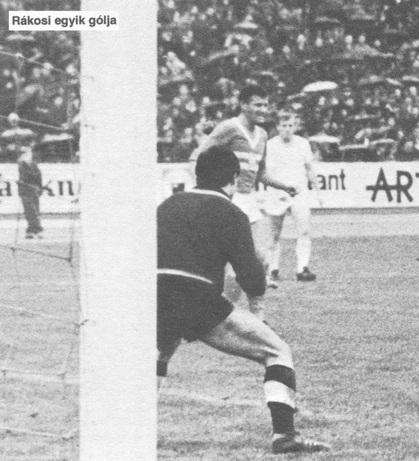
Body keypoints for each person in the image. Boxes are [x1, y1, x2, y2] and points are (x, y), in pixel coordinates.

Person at [157, 146, 330, 454]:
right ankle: (285, 435)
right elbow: (249, 274)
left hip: (156, 294)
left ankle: (136, 427)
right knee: (277, 351)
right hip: (197, 297)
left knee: (160, 354)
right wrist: (257, 309)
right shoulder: (232, 213)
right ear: (234, 178)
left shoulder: (168, 205)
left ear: (198, 174)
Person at [191, 84, 297, 290]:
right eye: (257, 105)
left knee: (262, 257)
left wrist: (284, 187)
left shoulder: (263, 135)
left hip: (249, 199)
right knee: (231, 263)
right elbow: (198, 157)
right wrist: (208, 190)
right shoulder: (229, 128)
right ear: (243, 105)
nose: (263, 109)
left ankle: (250, 306)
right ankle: (227, 305)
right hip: (230, 199)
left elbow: (260, 173)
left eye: (265, 105)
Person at [262, 112, 321, 282]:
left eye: (290, 126)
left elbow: (309, 168)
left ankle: (302, 269)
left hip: (299, 193)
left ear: (295, 127)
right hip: (277, 193)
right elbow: (265, 172)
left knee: (304, 231)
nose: (287, 129)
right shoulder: (270, 145)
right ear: (278, 127)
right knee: (274, 234)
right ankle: (272, 269)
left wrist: (318, 191)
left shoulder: (303, 144)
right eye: (284, 126)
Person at [17, 141, 43, 239]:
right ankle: (33, 229)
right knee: (29, 211)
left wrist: (39, 187)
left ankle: (36, 229)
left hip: (32, 189)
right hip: (26, 190)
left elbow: (37, 176)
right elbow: (22, 177)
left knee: (34, 210)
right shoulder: (22, 164)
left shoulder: (32, 165)